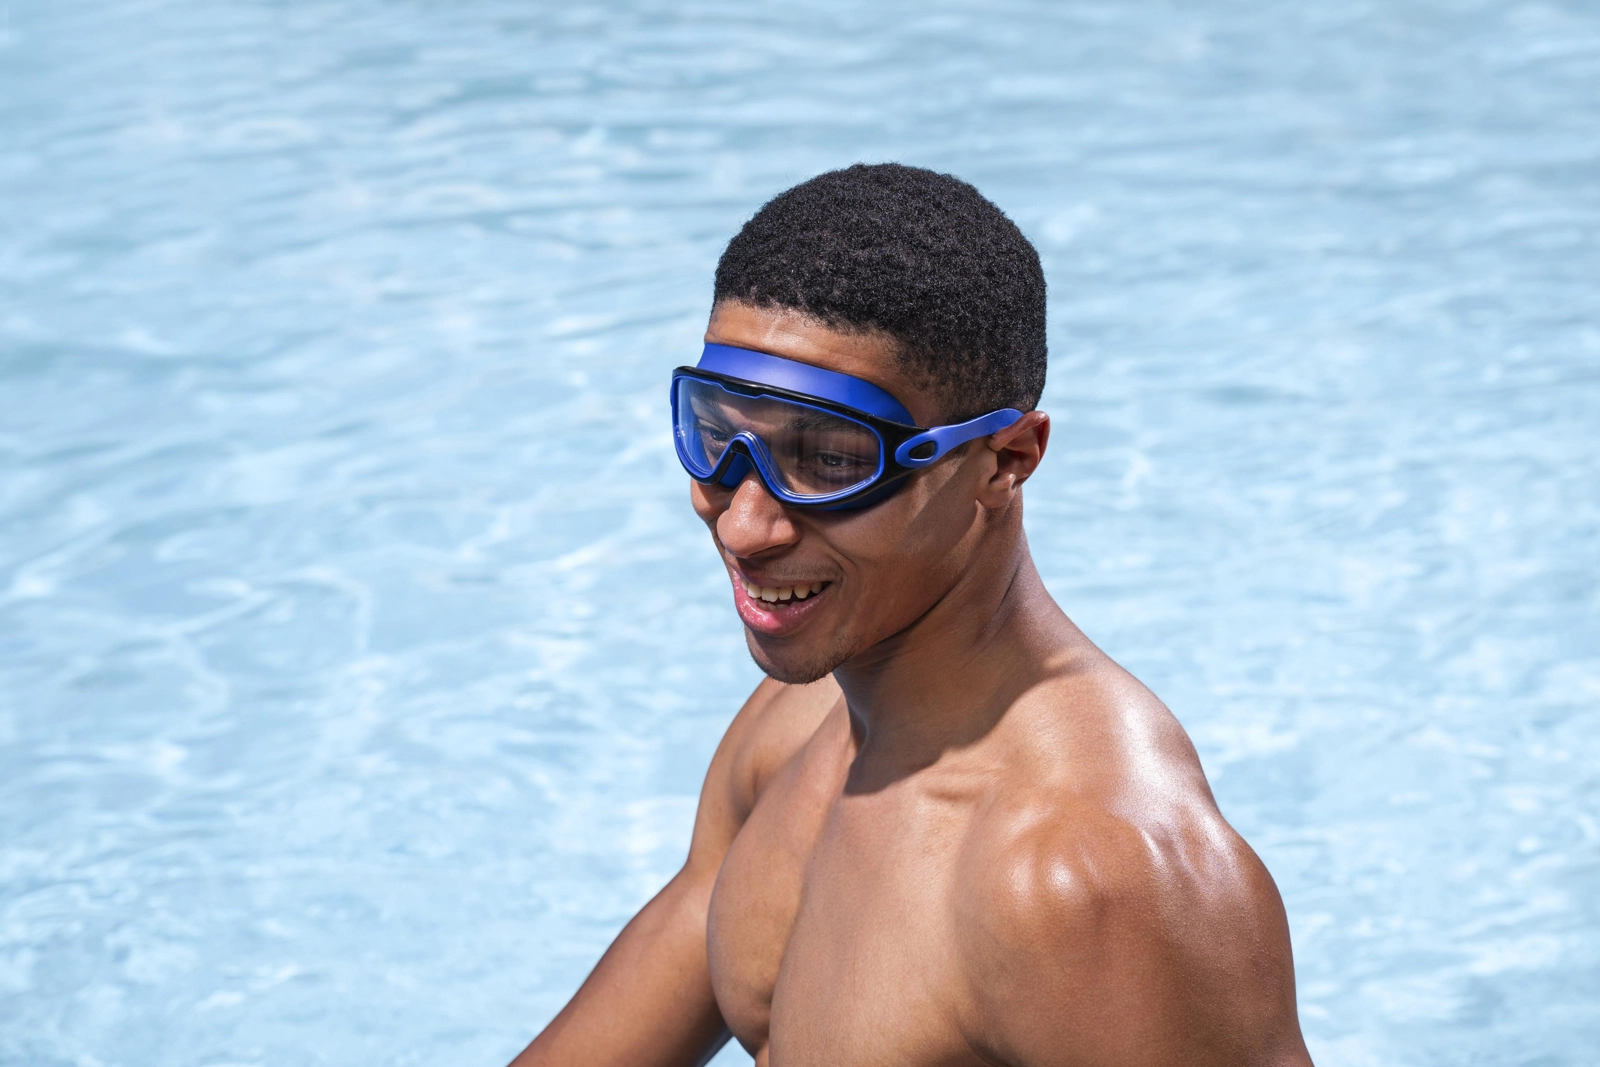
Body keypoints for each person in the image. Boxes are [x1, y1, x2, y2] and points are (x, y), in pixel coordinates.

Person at [510, 163, 1313, 1067]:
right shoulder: (792, 728)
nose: (744, 523)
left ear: (1005, 460)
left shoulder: (1085, 885)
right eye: (721, 437)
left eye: (831, 458)